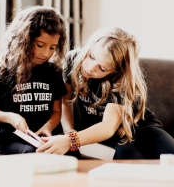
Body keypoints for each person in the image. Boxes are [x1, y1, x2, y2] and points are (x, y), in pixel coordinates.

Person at [36, 27, 174, 159]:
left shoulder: (120, 80)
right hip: (116, 137)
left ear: (116, 71)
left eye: (102, 68)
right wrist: (69, 133)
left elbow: (108, 125)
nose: (89, 68)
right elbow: (66, 101)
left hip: (143, 129)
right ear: (91, 45)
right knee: (128, 156)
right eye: (91, 56)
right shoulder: (72, 59)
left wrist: (70, 141)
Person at [0, 5, 68, 154]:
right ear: (24, 41)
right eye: (40, 45)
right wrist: (12, 117)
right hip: (13, 139)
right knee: (32, 153)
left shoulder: (53, 72)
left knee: (69, 152)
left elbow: (56, 111)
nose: (46, 53)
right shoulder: (5, 71)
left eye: (52, 47)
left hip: (44, 137)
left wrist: (48, 126)